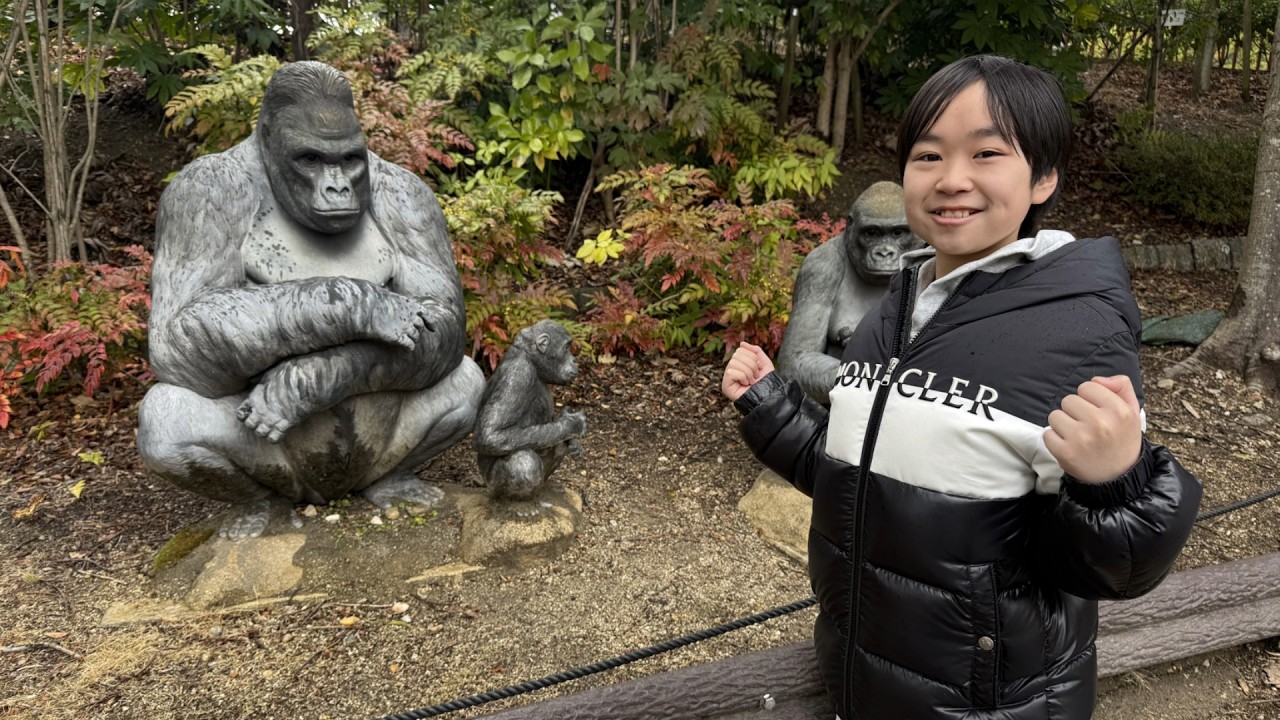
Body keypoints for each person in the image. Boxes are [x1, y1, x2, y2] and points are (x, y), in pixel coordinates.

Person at [721, 54, 1201, 720]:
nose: (951, 180)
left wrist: (1116, 483)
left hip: (990, 703)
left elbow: (1115, 568)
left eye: (986, 154)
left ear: (1044, 177)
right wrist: (770, 407)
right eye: (927, 156)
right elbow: (863, 481)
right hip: (866, 676)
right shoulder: (894, 309)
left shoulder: (1073, 329)